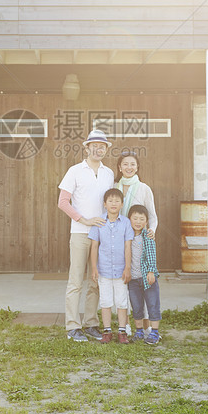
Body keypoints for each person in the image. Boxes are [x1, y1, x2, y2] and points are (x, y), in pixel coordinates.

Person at [58, 129, 115, 343]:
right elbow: (62, 202)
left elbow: (111, 202)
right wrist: (84, 220)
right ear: (87, 147)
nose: (98, 149)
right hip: (81, 233)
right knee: (76, 281)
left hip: (101, 236)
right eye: (95, 145)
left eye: (103, 146)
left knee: (96, 281)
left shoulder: (108, 173)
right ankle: (73, 326)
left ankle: (91, 323)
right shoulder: (75, 171)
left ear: (106, 149)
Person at [115, 151, 158, 335]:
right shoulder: (113, 187)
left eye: (132, 164)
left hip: (139, 239)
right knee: (124, 283)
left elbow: (152, 215)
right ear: (119, 167)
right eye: (125, 164)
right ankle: (126, 325)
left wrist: (151, 231)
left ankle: (147, 327)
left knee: (144, 284)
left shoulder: (144, 188)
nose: (129, 167)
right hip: (118, 240)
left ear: (137, 167)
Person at [88, 188, 133, 344]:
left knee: (122, 301)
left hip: (121, 270)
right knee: (105, 301)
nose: (114, 204)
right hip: (104, 270)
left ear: (122, 204)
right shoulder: (99, 222)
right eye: (110, 201)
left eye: (117, 201)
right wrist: (94, 267)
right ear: (105, 204)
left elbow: (128, 246)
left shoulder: (126, 223)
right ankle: (107, 331)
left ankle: (122, 331)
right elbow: (94, 246)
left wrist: (128, 267)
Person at [127, 204, 162, 345]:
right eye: (135, 218)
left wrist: (151, 271)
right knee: (136, 306)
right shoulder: (127, 236)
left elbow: (151, 255)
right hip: (133, 279)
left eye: (141, 219)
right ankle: (139, 331)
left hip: (148, 278)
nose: (138, 222)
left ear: (146, 221)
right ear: (129, 219)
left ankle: (154, 332)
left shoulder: (147, 235)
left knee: (153, 304)